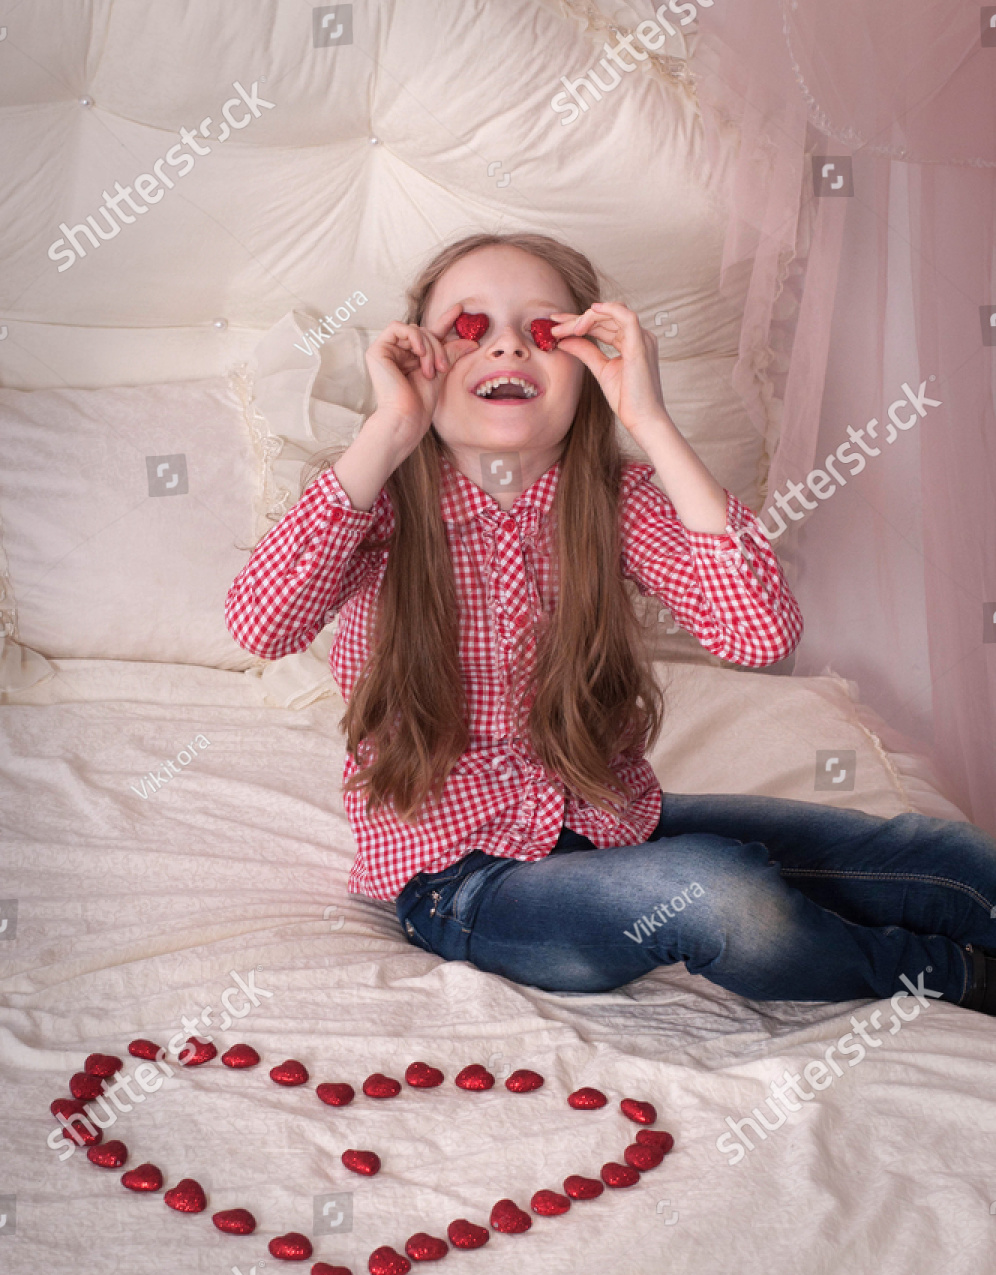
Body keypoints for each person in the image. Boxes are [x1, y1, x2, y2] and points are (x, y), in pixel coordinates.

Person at [226, 232, 996, 1014]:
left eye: (540, 332)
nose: (504, 349)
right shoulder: (381, 503)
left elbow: (758, 634)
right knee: (721, 894)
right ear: (420, 358)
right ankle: (958, 976)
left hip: (619, 826)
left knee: (948, 859)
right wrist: (390, 430)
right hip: (464, 881)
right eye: (468, 328)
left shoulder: (615, 501)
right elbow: (260, 625)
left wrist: (650, 419)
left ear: (588, 365)